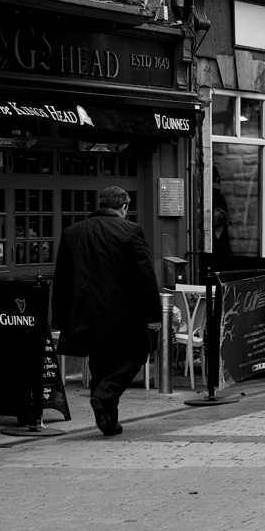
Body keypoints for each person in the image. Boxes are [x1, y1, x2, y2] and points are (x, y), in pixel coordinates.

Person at [52, 186, 161, 437]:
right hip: (121, 312)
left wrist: (59, 317)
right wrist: (154, 315)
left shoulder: (71, 233)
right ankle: (104, 396)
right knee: (137, 353)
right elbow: (145, 275)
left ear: (100, 204)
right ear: (124, 207)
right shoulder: (130, 231)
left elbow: (61, 278)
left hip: (84, 313)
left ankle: (107, 422)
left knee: (100, 365)